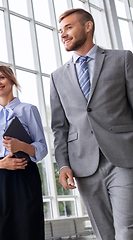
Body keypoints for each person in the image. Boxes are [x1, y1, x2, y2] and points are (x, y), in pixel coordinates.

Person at [50, 8, 133, 240]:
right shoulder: (57, 76)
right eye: (60, 30)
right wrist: (63, 164)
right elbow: (60, 127)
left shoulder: (122, 58)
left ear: (88, 26)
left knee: (126, 228)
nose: (63, 34)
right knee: (103, 232)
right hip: (83, 165)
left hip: (124, 158)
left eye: (69, 27)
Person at [0, 65, 47, 240]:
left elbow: (43, 147)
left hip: (25, 176)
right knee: (3, 233)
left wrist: (20, 146)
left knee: (29, 230)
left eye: (1, 78)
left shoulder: (28, 110)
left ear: (11, 80)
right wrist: (0, 163)